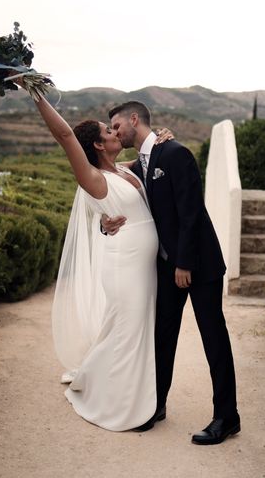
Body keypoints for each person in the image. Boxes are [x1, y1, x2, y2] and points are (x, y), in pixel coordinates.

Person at [18, 82, 173, 431]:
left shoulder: (124, 169)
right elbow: (64, 135)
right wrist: (33, 91)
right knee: (128, 332)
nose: (115, 131)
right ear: (98, 145)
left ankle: (104, 382)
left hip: (141, 265)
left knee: (131, 329)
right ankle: (122, 407)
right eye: (108, 130)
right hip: (123, 266)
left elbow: (150, 157)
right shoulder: (93, 177)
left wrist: (163, 135)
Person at [102, 101, 240, 445]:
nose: (116, 133)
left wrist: (184, 263)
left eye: (117, 126)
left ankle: (227, 417)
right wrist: (105, 222)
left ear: (135, 119)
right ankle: (155, 405)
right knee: (161, 336)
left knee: (213, 338)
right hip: (167, 266)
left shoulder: (177, 154)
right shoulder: (142, 162)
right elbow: (111, 186)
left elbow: (191, 212)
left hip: (198, 264)